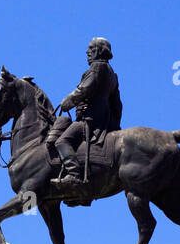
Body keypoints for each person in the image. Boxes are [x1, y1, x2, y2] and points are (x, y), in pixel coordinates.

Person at [46, 37, 123, 188]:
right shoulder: (113, 74)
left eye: (91, 48)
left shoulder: (97, 67)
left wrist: (69, 100)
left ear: (99, 51)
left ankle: (73, 174)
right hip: (104, 119)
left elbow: (84, 89)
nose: (87, 52)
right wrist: (113, 124)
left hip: (89, 119)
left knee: (61, 141)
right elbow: (117, 104)